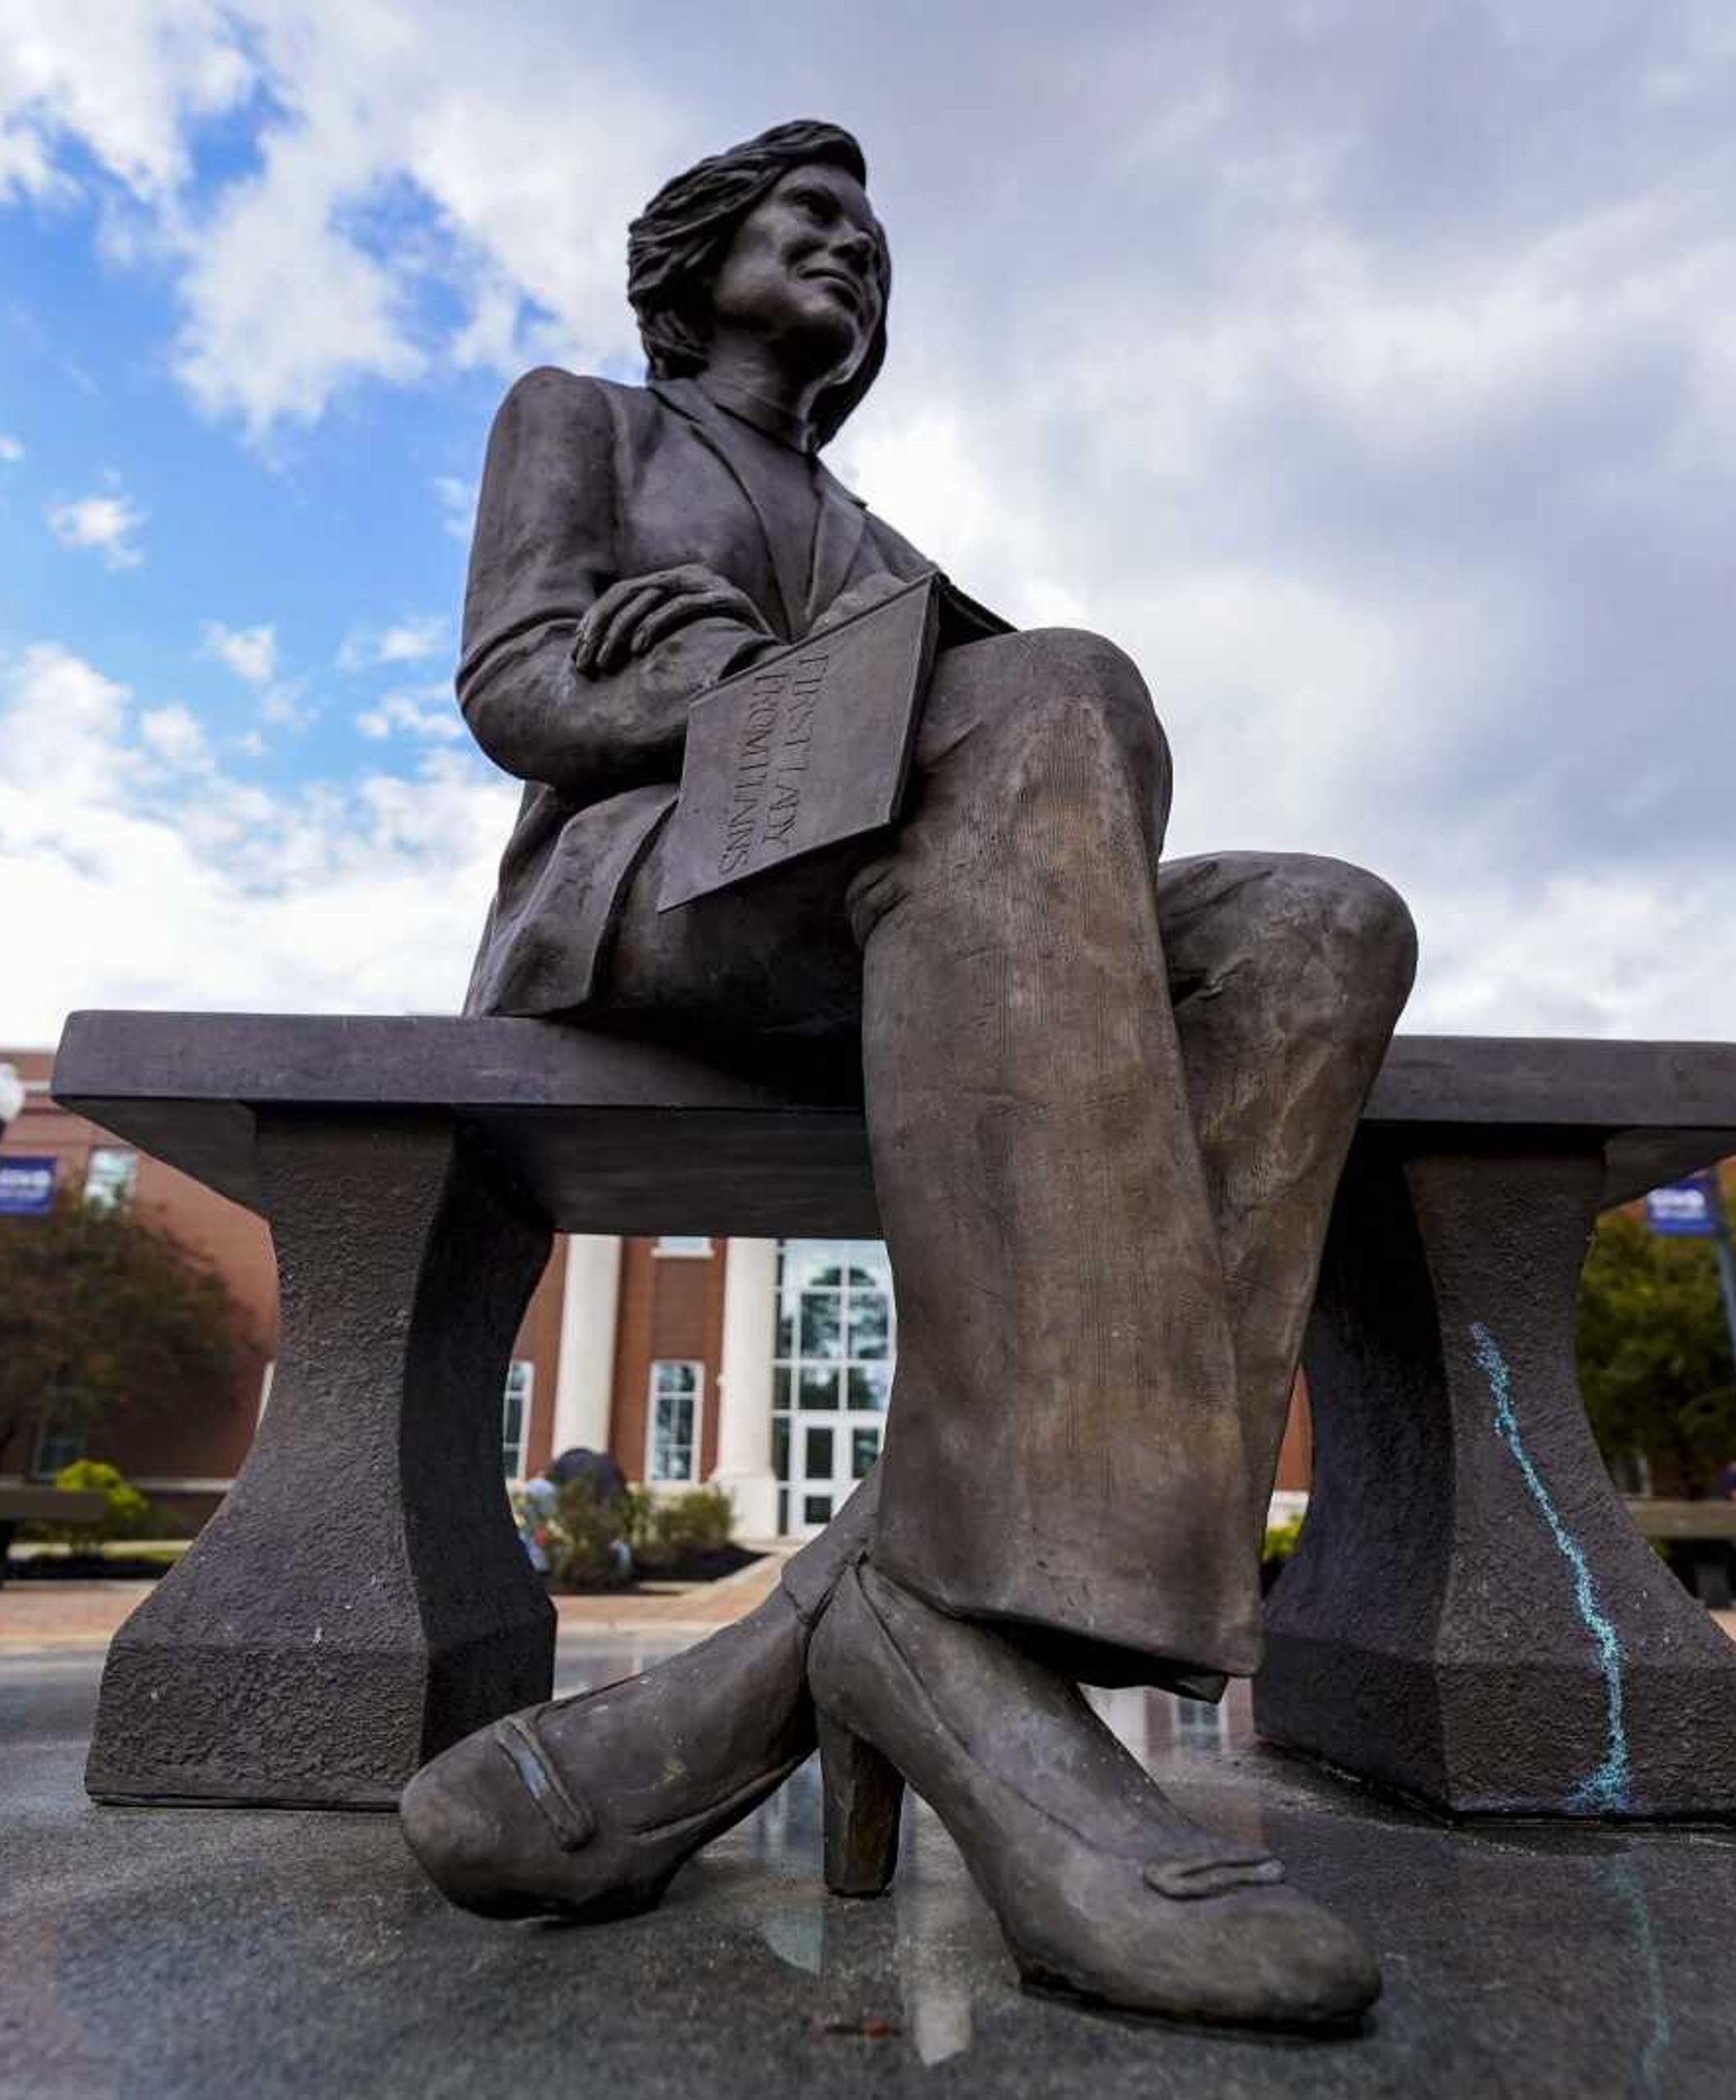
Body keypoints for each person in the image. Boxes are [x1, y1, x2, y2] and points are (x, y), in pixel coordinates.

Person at [399, 119, 1417, 2033]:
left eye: (873, 242)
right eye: (812, 222)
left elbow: (1027, 775)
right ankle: (977, 1692)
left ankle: (876, 1619)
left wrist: (917, 694)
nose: (854, 255)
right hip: (647, 894)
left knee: (1321, 921)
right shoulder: (584, 422)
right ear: (697, 263)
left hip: (894, 887)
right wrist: (705, 688)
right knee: (1056, 684)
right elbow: (514, 682)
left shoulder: (881, 544)